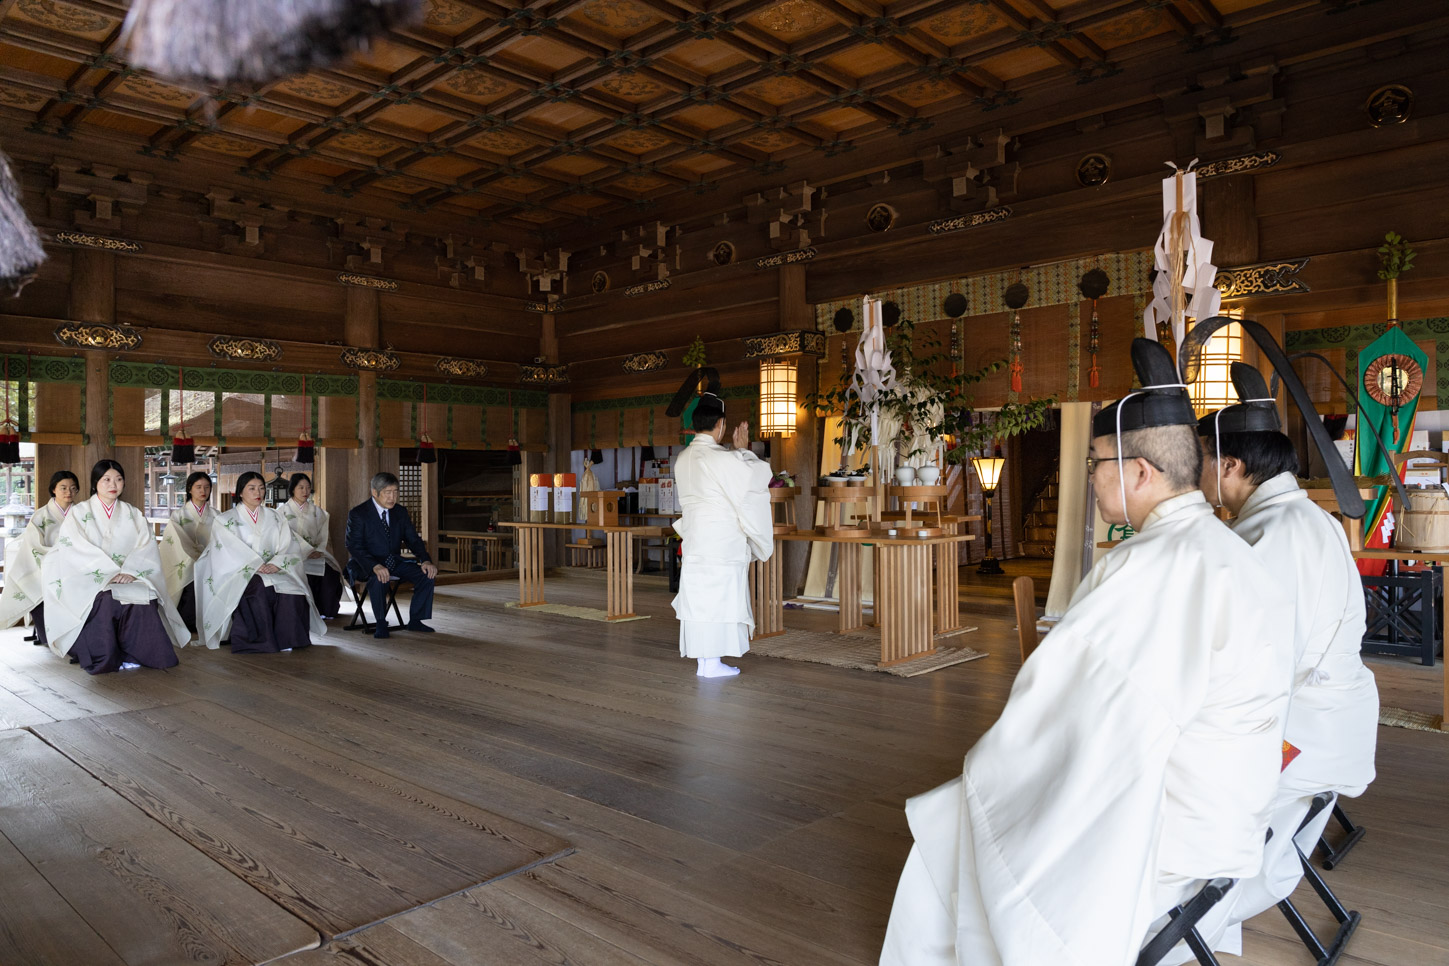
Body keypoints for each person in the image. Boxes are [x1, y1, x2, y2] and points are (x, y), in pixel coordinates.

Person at [879, 339, 1294, 966]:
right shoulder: (1231, 548)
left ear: (1137, 473)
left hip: (1183, 817)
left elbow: (1069, 714)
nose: (1091, 478)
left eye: (1095, 462)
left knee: (960, 826)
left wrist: (993, 763)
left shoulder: (1152, 565)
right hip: (1236, 793)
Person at [1196, 363, 1377, 947]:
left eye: (1200, 459)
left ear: (1231, 466)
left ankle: (1168, 927)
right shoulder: (1309, 518)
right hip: (1332, 721)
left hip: (1300, 733)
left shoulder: (1268, 536)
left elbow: (1255, 668)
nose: (1194, 474)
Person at [40, 459, 188, 673]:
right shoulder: (79, 513)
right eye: (106, 479)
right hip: (91, 579)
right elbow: (74, 547)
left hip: (130, 576)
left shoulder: (133, 513)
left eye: (119, 479)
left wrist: (130, 571)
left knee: (145, 597)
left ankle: (140, 654)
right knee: (107, 600)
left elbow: (146, 546)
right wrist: (106, 574)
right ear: (95, 483)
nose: (113, 484)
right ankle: (106, 656)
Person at [670, 391, 773, 678]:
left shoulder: (684, 457)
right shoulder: (719, 457)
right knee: (720, 601)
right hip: (720, 542)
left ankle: (706, 662)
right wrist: (743, 450)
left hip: (695, 540)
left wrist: (735, 454)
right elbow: (755, 480)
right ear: (721, 425)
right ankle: (711, 663)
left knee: (700, 601)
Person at [195, 471, 324, 653]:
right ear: (240, 492)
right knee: (259, 588)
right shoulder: (225, 520)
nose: (258, 493)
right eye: (252, 488)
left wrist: (277, 563)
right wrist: (254, 565)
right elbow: (226, 550)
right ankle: (258, 641)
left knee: (293, 588)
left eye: (262, 488)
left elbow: (289, 545)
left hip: (274, 568)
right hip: (241, 571)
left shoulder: (276, 517)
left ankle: (290, 639)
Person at [344, 472, 437, 639]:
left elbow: (413, 540)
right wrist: (374, 565)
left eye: (395, 492)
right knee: (379, 577)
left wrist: (426, 560)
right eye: (387, 492)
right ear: (375, 492)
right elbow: (354, 546)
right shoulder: (359, 513)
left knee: (426, 575)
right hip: (365, 563)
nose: (392, 497)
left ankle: (416, 619)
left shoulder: (399, 512)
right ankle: (381, 622)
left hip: (393, 561)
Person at [0, 469, 79, 645]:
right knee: (34, 585)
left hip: (76, 565)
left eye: (73, 488)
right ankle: (50, 636)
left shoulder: (82, 514)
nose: (69, 492)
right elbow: (34, 545)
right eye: (63, 488)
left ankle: (75, 636)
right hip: (46, 563)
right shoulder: (41, 515)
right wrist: (56, 558)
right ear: (53, 490)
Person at [158, 470, 219, 634]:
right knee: (189, 572)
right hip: (186, 559)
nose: (203, 491)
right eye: (198, 487)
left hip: (213, 560)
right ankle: (188, 620)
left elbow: (223, 541)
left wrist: (209, 557)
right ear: (189, 489)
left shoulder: (216, 515)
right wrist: (195, 556)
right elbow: (175, 540)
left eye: (207, 487)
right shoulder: (179, 515)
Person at [280, 472, 342, 619]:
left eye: (308, 488)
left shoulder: (318, 513)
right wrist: (305, 551)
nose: (305, 491)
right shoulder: (281, 512)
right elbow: (285, 536)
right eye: (301, 487)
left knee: (331, 573)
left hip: (316, 554)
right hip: (292, 555)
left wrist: (318, 550)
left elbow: (323, 536)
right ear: (292, 489)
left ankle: (325, 610)